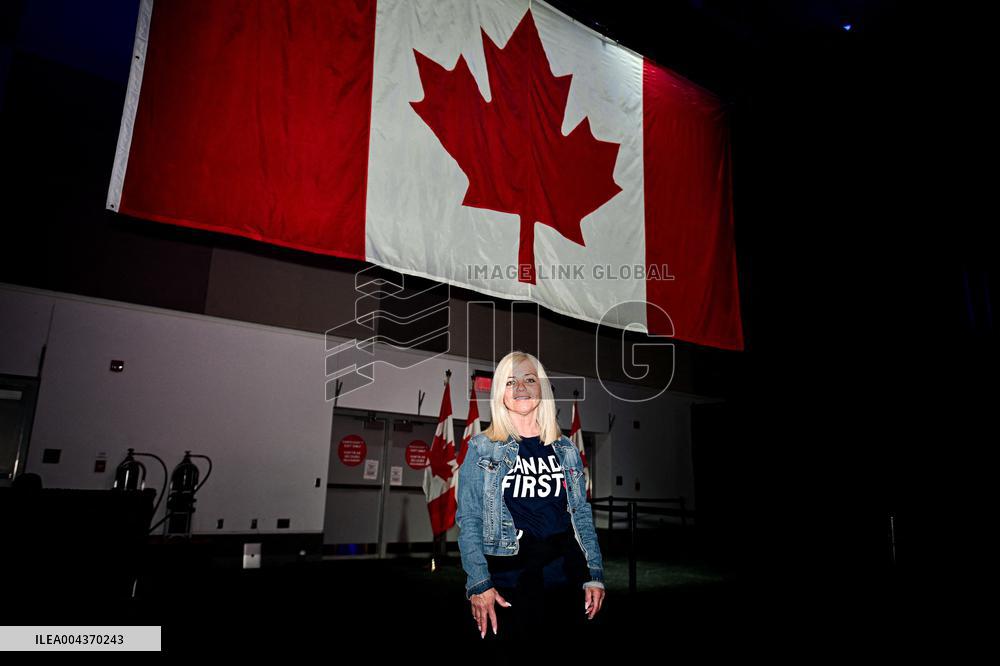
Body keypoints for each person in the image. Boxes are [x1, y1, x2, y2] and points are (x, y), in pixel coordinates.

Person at [456, 351, 606, 641]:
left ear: (543, 389)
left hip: (564, 577)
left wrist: (594, 573)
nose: (521, 388)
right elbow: (470, 519)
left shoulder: (566, 449)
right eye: (511, 382)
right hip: (506, 582)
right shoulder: (482, 448)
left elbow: (581, 514)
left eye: (529, 380)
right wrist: (479, 583)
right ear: (500, 392)